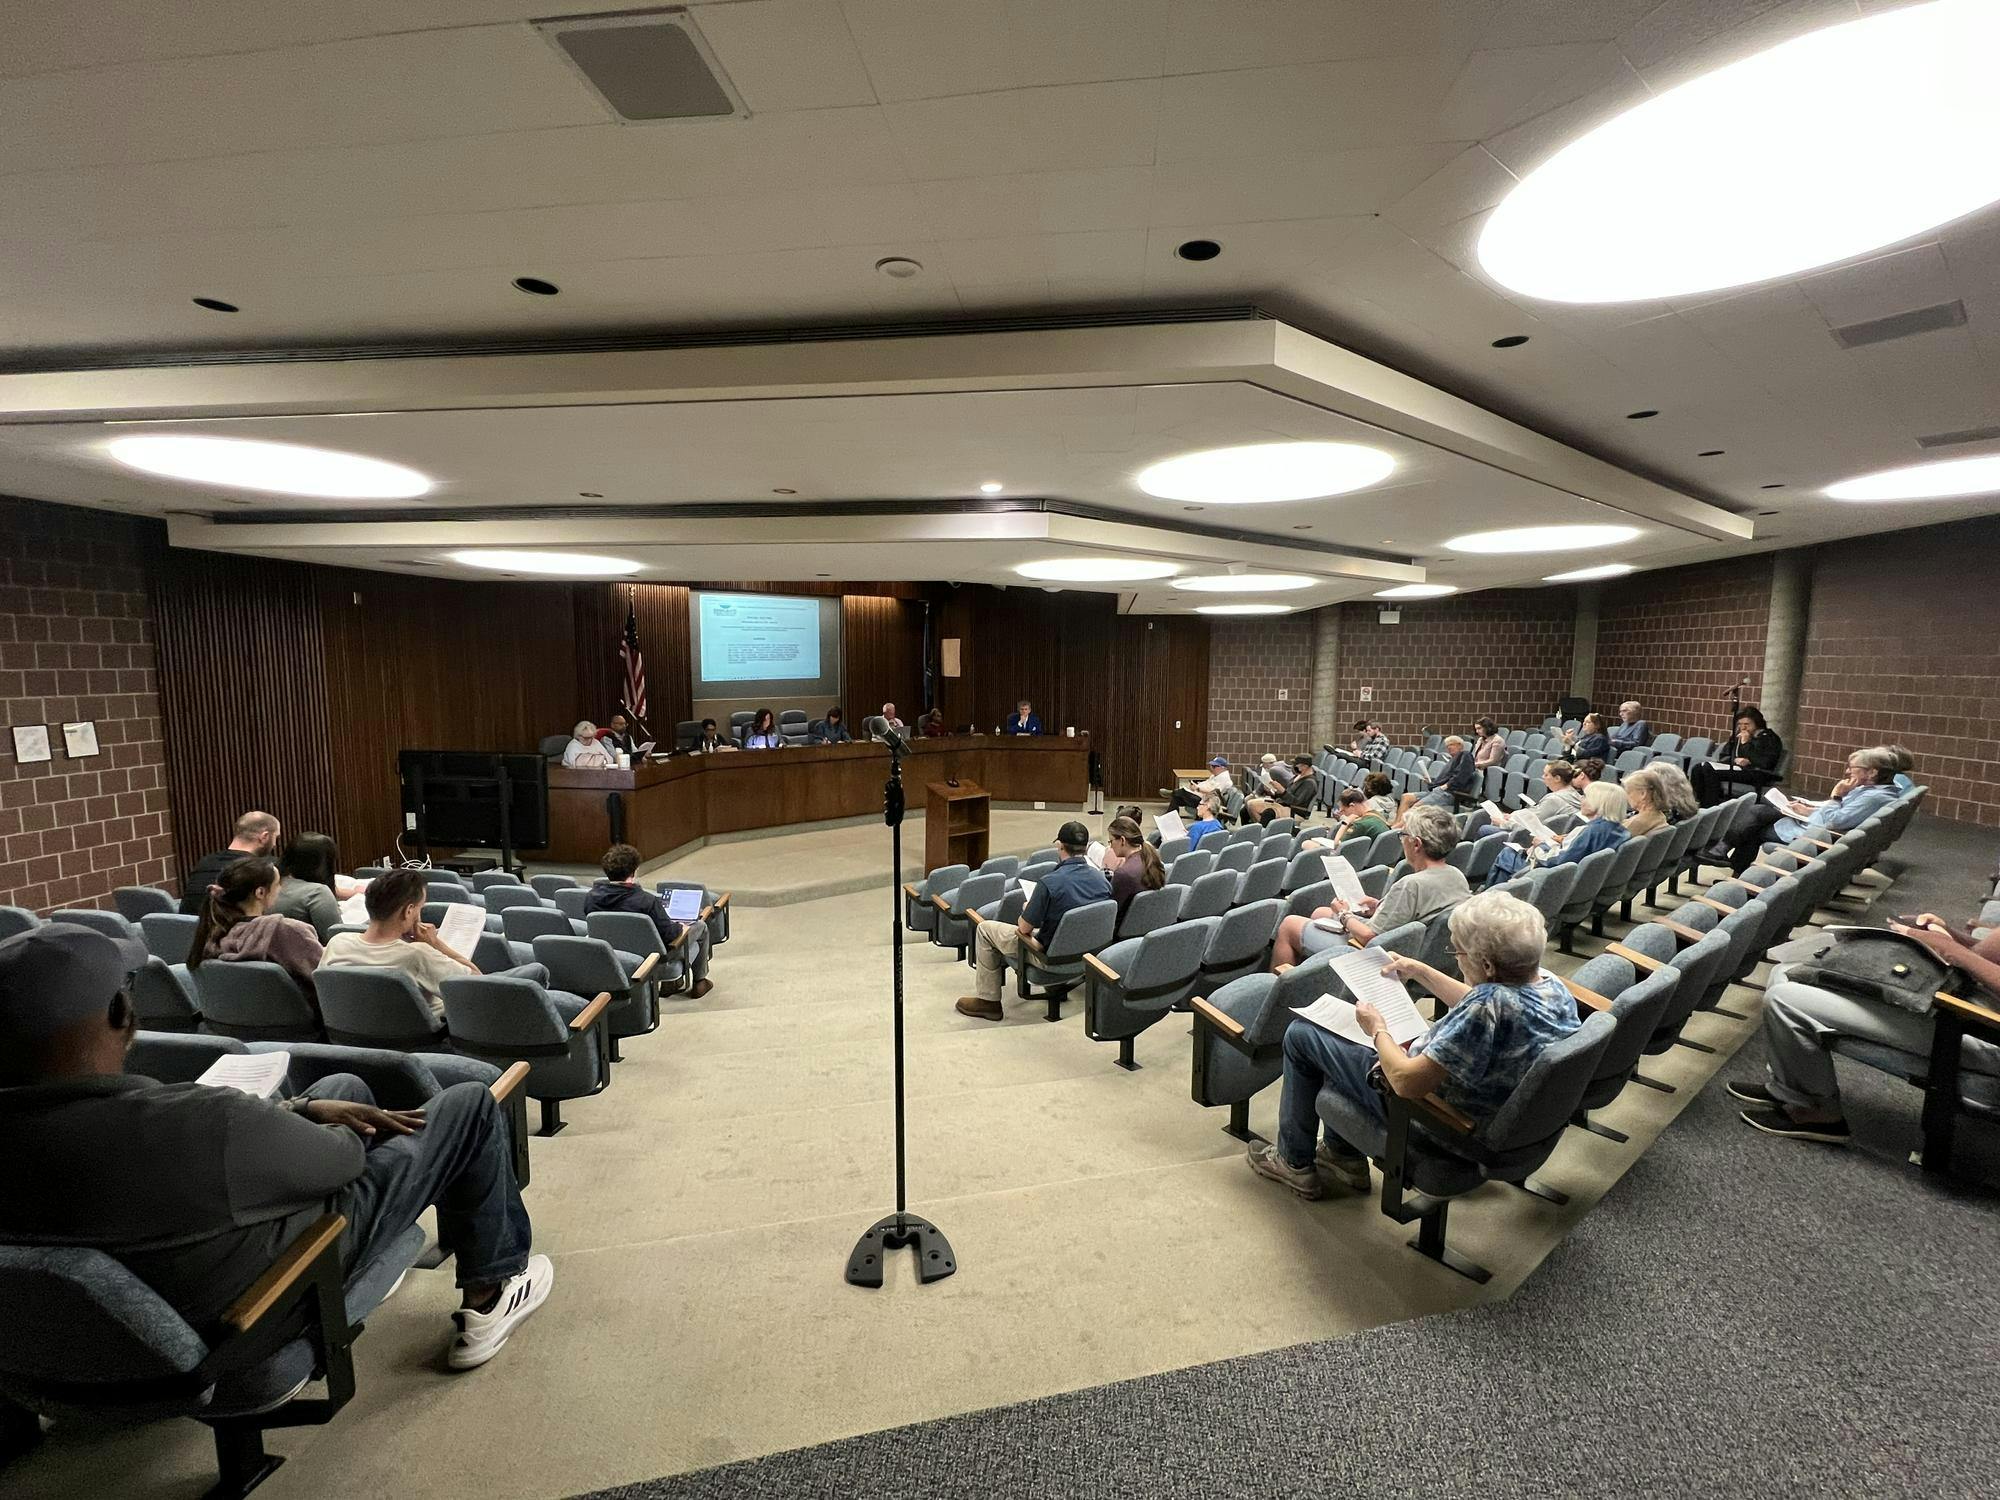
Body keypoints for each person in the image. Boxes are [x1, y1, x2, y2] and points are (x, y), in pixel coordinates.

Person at [0, 922, 553, 1369]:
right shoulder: (197, 1119)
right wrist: (337, 1130)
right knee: (468, 1104)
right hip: (264, 1295)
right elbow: (343, 1161)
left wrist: (304, 1109)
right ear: (120, 1016)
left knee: (342, 1089)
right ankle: (493, 1292)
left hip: (113, 1330)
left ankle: (327, 1109)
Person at [1246, 889, 1581, 1198]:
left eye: (1458, 951)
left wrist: (1378, 1031)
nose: (1456, 958)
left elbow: (1406, 1082)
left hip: (1437, 1122)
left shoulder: (1485, 1008)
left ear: (1488, 965)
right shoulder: (1549, 987)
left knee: (1303, 1036)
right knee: (1342, 1041)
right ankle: (1342, 1155)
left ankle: (1293, 1162)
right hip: (1498, 1116)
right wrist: (1420, 971)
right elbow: (1483, 1001)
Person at [1729, 910, 2000, 1143]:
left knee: (1785, 999)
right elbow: (1986, 954)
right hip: (1962, 1001)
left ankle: (1821, 1114)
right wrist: (1947, 933)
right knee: (1785, 972)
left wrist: (1947, 947)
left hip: (1975, 1026)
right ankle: (1790, 1090)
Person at [1270, 805, 1467, 968]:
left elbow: (1369, 936)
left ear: (1416, 844)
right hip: (1418, 952)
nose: (1402, 840)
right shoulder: (1456, 875)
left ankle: (1280, 998)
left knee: (1289, 925)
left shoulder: (1411, 884)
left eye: (1403, 834)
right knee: (1319, 913)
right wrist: (1379, 907)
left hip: (1378, 956)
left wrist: (1343, 914)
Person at [955, 821, 1111, 1021]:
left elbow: (1024, 928)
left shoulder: (1050, 882)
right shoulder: (1101, 879)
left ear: (1060, 846)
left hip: (1049, 957)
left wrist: (1028, 910)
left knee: (985, 929)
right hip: (1087, 955)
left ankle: (989, 1001)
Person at [319, 869, 480, 1018]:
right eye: (420, 908)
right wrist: (435, 943)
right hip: (424, 1042)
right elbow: (477, 984)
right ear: (408, 911)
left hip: (349, 1039)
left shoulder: (337, 943)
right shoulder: (417, 954)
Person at [1722, 745, 1901, 876]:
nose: (1847, 772)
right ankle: (1728, 859)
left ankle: (1727, 858)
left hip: (1817, 836)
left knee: (1756, 824)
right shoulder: (1874, 792)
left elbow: (1834, 821)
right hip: (1821, 829)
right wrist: (1808, 809)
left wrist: (1836, 795)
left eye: (1853, 768)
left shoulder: (1873, 797)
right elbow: (1840, 814)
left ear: (1872, 773)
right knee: (1761, 812)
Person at [188, 857, 327, 1008]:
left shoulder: (211, 933)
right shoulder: (287, 931)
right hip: (301, 1027)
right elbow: (328, 981)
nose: (280, 889)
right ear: (260, 892)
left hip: (232, 1026)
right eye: (277, 884)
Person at [583, 843, 712, 999]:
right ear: (634, 870)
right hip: (652, 960)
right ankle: (700, 981)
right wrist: (681, 927)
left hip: (614, 956)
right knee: (700, 926)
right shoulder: (646, 901)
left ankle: (674, 982)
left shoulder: (591, 897)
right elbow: (670, 935)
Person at [1486, 781, 1629, 888]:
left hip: (1556, 878)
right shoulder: (1619, 830)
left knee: (1508, 854)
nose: (1581, 800)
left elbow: (1559, 861)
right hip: (1586, 882)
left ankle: (1490, 900)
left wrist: (1540, 845)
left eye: (1585, 797)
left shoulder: (1592, 831)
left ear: (1597, 803)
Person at [179, 810, 282, 914]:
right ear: (264, 836)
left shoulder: (204, 862)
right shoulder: (266, 869)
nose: (274, 844)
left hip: (189, 928)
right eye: (275, 837)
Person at [1690, 706, 1786, 805]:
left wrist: (1746, 744)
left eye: (1747, 724)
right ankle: (1699, 802)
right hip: (1737, 768)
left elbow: (1765, 763)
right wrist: (1735, 760)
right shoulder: (1739, 735)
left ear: (1757, 724)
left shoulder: (1769, 738)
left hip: (1757, 772)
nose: (1743, 727)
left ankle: (1710, 805)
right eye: (1740, 724)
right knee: (1699, 768)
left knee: (1709, 771)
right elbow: (1724, 754)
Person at [271, 831, 357, 941]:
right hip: (312, 955)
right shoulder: (317, 893)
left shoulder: (267, 885)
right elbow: (336, 938)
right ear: (324, 864)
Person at [1101, 815, 1165, 922]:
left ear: (1122, 840)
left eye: (1111, 841)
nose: (1111, 847)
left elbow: (1112, 912)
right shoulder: (1153, 859)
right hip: (1148, 921)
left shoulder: (1124, 873)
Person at [1489, 760, 1581, 830]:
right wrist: (1514, 816)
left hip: (1536, 838)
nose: (1542, 777)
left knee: (1485, 829)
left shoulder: (1554, 799)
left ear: (1557, 778)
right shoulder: (1575, 795)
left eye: (1546, 775)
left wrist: (1503, 823)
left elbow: (1530, 826)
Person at [1398, 735, 1475, 817]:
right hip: (1438, 791)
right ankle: (1395, 824)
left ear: (1460, 745)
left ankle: (1397, 828)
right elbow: (1445, 779)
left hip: (1448, 793)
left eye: (1451, 744)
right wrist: (1431, 781)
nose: (1449, 747)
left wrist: (1446, 786)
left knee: (1416, 808)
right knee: (1406, 797)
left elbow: (1461, 776)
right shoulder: (1452, 760)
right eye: (1447, 745)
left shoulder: (1465, 755)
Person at [1246, 755, 1318, 824]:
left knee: (1268, 813)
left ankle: (1265, 831)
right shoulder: (1298, 776)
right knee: (1248, 807)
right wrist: (1273, 792)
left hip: (1295, 811)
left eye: (1296, 765)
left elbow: (1296, 802)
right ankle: (1260, 830)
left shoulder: (1309, 783)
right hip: (1283, 803)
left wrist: (1282, 791)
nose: (1294, 766)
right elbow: (1287, 794)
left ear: (1305, 766)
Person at [1163, 756, 1232, 815]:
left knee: (1179, 793)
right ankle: (1170, 818)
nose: (1211, 768)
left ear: (1222, 768)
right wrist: (1196, 785)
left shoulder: (1224, 778)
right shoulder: (1215, 776)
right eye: (1211, 766)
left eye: (1214, 766)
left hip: (1206, 801)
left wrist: (1198, 788)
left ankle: (1172, 792)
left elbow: (1214, 792)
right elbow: (1207, 784)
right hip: (1200, 796)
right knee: (1176, 798)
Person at [1622, 768, 1669, 837]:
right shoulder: (1660, 816)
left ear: (1643, 794)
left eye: (1628, 792)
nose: (1626, 796)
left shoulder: (1637, 823)